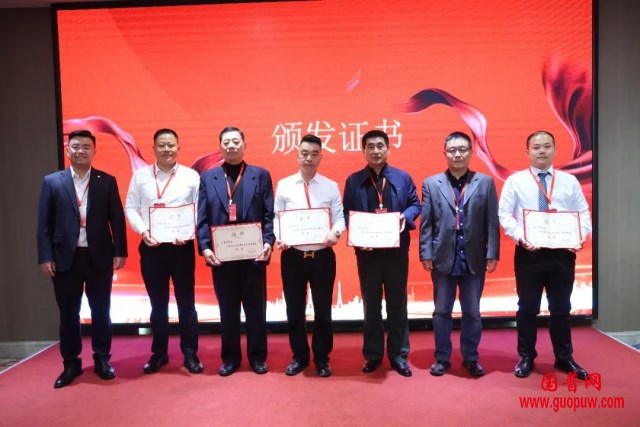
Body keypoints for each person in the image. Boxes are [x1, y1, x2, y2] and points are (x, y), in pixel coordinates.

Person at [37, 130, 127, 388]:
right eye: (76, 146)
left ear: (94, 151)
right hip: (65, 259)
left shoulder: (106, 181)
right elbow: (43, 224)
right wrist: (45, 256)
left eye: (86, 147)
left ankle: (102, 359)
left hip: (99, 257)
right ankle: (70, 363)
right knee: (68, 313)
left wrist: (120, 251)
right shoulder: (52, 182)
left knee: (101, 311)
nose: (81, 151)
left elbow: (117, 219)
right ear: (68, 150)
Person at [498, 130, 592, 380]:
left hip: (562, 254)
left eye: (547, 146)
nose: (542, 151)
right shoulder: (516, 181)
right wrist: (521, 237)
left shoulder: (569, 181)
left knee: (561, 307)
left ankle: (564, 357)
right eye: (536, 147)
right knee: (527, 307)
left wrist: (579, 236)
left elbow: (583, 212)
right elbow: (504, 214)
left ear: (554, 150)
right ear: (527, 152)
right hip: (529, 254)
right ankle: (526, 356)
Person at [419, 131, 500, 377]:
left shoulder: (485, 182)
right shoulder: (431, 184)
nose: (457, 154)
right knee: (441, 311)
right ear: (445, 153)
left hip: (473, 257)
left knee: (472, 312)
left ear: (471, 152)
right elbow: (427, 223)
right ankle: (442, 357)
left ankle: (471, 357)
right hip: (443, 257)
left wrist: (493, 252)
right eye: (452, 150)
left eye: (462, 149)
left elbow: (492, 221)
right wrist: (425, 253)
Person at [197, 126, 275, 376]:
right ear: (220, 147)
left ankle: (258, 357)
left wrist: (268, 242)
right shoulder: (208, 178)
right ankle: (230, 358)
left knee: (256, 310)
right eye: (226, 142)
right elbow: (202, 217)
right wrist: (204, 247)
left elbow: (269, 215)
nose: (231, 146)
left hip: (253, 255)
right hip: (222, 257)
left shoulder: (260, 175)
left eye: (235, 142)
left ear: (244, 145)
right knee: (227, 310)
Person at [343, 129, 420, 377]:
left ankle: (399, 355)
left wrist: (405, 216)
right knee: (371, 306)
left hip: (396, 253)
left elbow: (415, 204)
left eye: (380, 146)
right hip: (368, 254)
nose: (376, 151)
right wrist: (357, 237)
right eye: (370, 147)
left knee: (398, 304)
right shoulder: (354, 180)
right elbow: (347, 213)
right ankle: (373, 355)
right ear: (363, 150)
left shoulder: (402, 177)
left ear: (388, 149)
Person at [125, 129, 203, 375]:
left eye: (171, 145)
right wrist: (143, 231)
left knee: (186, 304)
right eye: (162, 145)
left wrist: (189, 232)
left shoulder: (191, 176)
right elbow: (131, 207)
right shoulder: (140, 176)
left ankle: (190, 353)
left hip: (181, 248)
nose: (167, 149)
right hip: (152, 248)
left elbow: (199, 210)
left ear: (178, 148)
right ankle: (159, 353)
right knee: (157, 305)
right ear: (154, 148)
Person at [273, 134, 346, 378]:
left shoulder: (330, 186)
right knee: (294, 310)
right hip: (292, 256)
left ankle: (322, 358)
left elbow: (340, 218)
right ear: (297, 155)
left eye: (314, 154)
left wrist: (335, 232)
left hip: (322, 257)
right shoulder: (284, 185)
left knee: (323, 311)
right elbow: (276, 217)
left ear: (320, 157)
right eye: (304, 153)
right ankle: (300, 357)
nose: (309, 158)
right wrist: (279, 237)